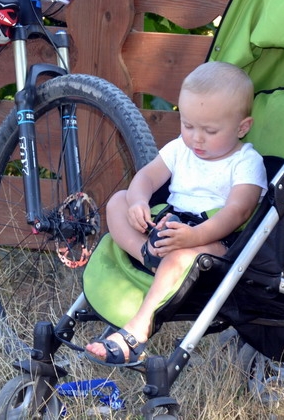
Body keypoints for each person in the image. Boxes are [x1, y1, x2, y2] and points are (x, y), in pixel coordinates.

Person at [85, 61, 267, 366]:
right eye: (188, 125)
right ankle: (147, 255)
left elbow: (238, 212)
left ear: (242, 127)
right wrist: (138, 202)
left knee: (184, 256)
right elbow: (146, 177)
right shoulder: (180, 148)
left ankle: (137, 328)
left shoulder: (246, 162)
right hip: (166, 224)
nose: (196, 138)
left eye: (210, 130)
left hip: (213, 238)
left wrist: (194, 236)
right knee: (117, 201)